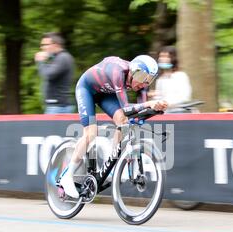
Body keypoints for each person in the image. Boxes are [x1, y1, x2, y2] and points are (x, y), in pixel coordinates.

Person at [59, 55, 168, 198]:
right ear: (134, 71)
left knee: (123, 122)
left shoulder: (142, 85)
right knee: (91, 132)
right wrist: (149, 104)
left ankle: (111, 169)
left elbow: (138, 112)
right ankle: (67, 176)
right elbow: (127, 108)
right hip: (87, 89)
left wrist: (157, 108)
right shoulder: (118, 72)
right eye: (142, 78)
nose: (144, 84)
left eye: (148, 80)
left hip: (105, 93)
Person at [35, 32, 75, 114]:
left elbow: (48, 75)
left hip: (58, 107)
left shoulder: (63, 57)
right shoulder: (57, 58)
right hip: (55, 106)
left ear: (56, 45)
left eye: (45, 44)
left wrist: (40, 62)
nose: (42, 47)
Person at [149, 46, 193, 112]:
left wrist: (165, 103)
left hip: (179, 112)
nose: (162, 59)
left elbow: (184, 97)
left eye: (166, 56)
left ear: (173, 58)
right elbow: (159, 98)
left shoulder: (180, 76)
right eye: (161, 56)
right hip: (166, 113)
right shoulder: (161, 79)